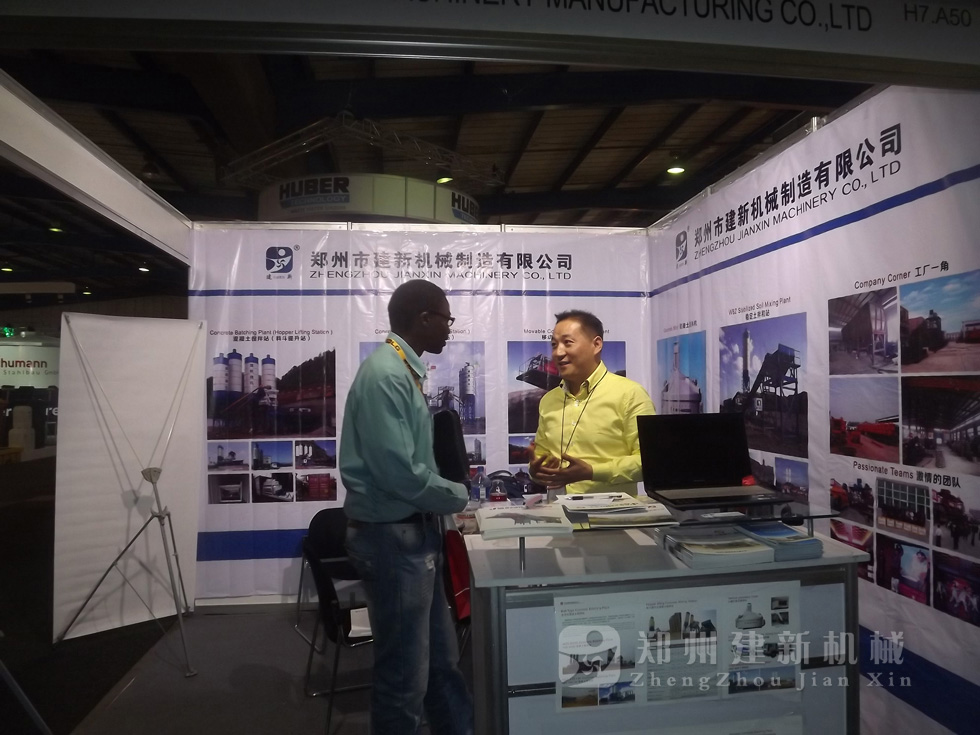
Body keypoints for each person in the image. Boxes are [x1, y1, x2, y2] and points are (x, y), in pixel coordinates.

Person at [340, 279, 472, 735]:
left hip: (413, 536)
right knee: (403, 678)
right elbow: (399, 474)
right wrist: (460, 496)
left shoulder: (402, 371)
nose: (450, 328)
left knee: (440, 663)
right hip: (393, 540)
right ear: (424, 318)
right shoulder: (385, 376)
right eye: (446, 318)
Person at [529, 309, 656, 495]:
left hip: (612, 513)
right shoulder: (549, 400)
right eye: (554, 345)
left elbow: (650, 461)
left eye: (567, 343)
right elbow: (541, 455)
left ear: (596, 344)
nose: (558, 352)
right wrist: (536, 471)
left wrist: (593, 472)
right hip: (557, 511)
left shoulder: (630, 394)